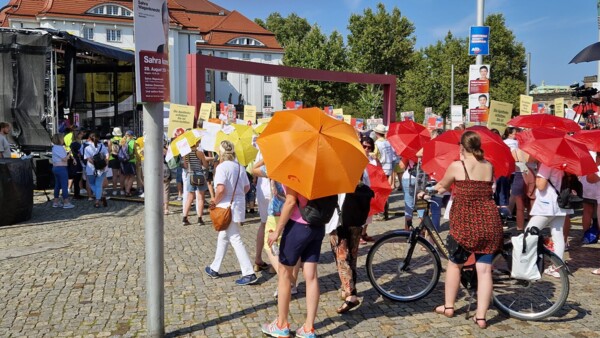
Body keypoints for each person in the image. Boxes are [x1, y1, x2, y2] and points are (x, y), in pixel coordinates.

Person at [425, 131, 503, 329]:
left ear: (461, 146)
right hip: (488, 221)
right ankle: (481, 317)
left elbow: (442, 186)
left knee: (454, 264)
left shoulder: (457, 166)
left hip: (465, 223)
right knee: (484, 271)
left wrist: (426, 192)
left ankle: (449, 306)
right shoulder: (489, 166)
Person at [262, 178, 327, 337]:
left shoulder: (296, 171)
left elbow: (291, 202)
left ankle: (281, 325)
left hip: (298, 226)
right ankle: (308, 328)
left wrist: (277, 230)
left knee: (284, 274)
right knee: (311, 276)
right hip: (317, 225)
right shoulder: (321, 169)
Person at [205, 140, 257, 285]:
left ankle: (249, 272)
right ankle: (214, 267)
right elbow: (247, 187)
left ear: (221, 153)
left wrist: (215, 200)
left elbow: (221, 189)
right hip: (237, 205)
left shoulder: (222, 168)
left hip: (225, 206)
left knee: (234, 238)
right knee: (224, 236)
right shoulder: (239, 167)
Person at [252, 161, 301, 297]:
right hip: (296, 212)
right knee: (293, 248)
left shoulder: (275, 166)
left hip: (277, 211)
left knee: (270, 245)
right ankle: (293, 284)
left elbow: (253, 169)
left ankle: (286, 278)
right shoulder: (299, 165)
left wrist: (266, 158)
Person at [524, 161, 574, 277]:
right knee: (558, 235)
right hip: (561, 204)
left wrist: (538, 176)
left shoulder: (548, 163)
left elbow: (541, 186)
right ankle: (558, 268)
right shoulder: (566, 162)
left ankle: (526, 264)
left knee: (529, 231)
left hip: (547, 204)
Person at [253, 150, 272, 273]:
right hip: (272, 189)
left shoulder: (261, 148)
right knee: (275, 225)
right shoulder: (277, 146)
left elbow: (254, 170)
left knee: (264, 223)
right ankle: (276, 262)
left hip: (261, 190)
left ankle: (258, 258)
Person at [181, 141, 209, 225]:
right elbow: (205, 165)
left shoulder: (185, 154)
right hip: (200, 175)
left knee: (190, 197)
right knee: (200, 197)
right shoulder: (200, 153)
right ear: (196, 143)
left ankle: (184, 218)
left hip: (190, 176)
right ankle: (199, 219)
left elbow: (185, 166)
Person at [373, 124, 394, 220]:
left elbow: (375, 155)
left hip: (381, 169)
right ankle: (384, 211)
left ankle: (381, 213)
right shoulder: (387, 142)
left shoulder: (377, 143)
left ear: (376, 133)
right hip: (388, 168)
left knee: (379, 192)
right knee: (383, 191)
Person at [83, 133, 109, 208]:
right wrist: (104, 164)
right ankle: (98, 199)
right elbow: (107, 155)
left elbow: (89, 159)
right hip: (102, 169)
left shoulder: (87, 148)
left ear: (89, 139)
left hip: (91, 169)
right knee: (99, 185)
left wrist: (95, 165)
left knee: (91, 184)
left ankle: (99, 198)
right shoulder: (102, 146)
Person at [50, 134, 75, 209]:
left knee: (57, 185)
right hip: (61, 167)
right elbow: (64, 159)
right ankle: (66, 202)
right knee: (64, 185)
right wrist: (70, 153)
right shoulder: (60, 148)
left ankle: (56, 202)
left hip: (55, 167)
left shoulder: (54, 147)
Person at [120, 131, 136, 196]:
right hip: (131, 160)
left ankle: (126, 190)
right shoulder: (133, 142)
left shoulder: (122, 141)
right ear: (131, 135)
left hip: (123, 160)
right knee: (132, 176)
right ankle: (127, 191)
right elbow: (134, 152)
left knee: (126, 176)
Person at [109, 127, 124, 196]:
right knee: (121, 175)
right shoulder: (123, 139)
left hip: (113, 158)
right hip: (121, 158)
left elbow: (109, 150)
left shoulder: (111, 140)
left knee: (114, 175)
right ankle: (121, 190)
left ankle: (114, 190)